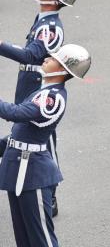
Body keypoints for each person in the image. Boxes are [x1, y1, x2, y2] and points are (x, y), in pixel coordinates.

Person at [0, 0, 77, 217]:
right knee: (23, 132)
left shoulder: (51, 27)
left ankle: (48, 191)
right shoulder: (43, 20)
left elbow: (32, 55)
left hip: (36, 80)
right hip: (30, 81)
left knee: (44, 141)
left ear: (54, 0)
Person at [0, 44, 91, 247]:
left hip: (33, 173)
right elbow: (20, 134)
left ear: (63, 71)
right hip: (17, 167)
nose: (47, 59)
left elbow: (14, 114)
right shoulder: (42, 91)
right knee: (23, 238)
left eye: (54, 60)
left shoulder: (53, 98)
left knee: (41, 240)